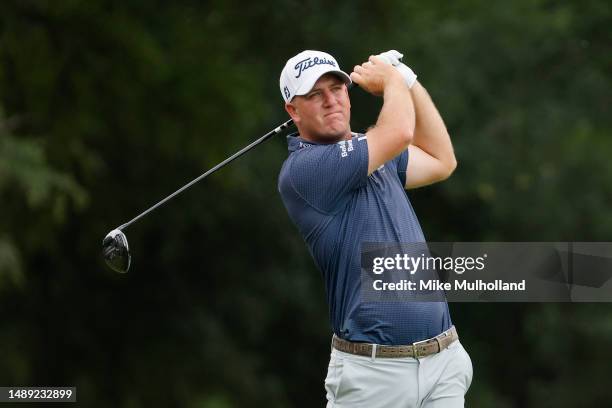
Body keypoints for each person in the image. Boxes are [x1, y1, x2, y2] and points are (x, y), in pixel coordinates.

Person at [277, 50, 472, 407]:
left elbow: (442, 160)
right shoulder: (305, 169)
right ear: (293, 110)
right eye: (314, 94)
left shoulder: (370, 152)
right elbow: (398, 131)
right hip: (373, 376)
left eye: (336, 89)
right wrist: (392, 83)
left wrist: (409, 82)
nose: (330, 100)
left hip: (442, 361)